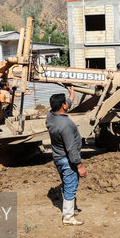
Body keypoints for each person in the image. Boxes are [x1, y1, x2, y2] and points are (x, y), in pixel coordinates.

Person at [46, 86, 86, 226]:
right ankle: (68, 216)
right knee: (71, 185)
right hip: (67, 160)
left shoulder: (51, 115)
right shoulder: (65, 125)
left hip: (57, 158)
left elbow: (66, 104)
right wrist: (80, 166)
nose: (67, 104)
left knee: (66, 183)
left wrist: (71, 95)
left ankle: (68, 209)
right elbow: (71, 149)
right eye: (66, 103)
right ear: (63, 106)